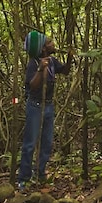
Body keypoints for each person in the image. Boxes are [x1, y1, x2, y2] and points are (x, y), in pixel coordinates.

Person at [17, 31, 74, 190]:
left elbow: (65, 71)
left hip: (48, 105)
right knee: (30, 143)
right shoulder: (34, 64)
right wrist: (41, 69)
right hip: (35, 106)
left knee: (47, 142)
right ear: (43, 49)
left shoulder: (52, 61)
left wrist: (69, 57)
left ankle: (40, 173)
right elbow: (32, 85)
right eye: (49, 43)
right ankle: (24, 178)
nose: (53, 44)